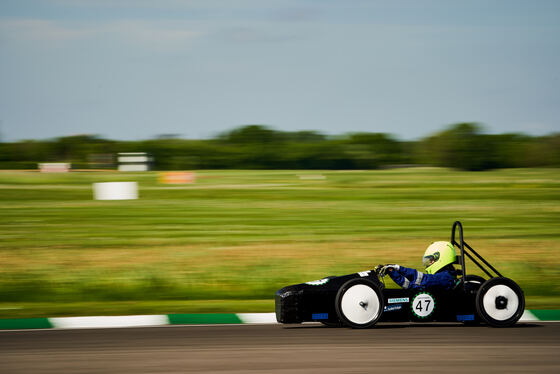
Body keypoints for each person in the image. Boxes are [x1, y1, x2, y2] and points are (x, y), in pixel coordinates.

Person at [380, 241, 458, 290]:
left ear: (441, 259)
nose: (429, 264)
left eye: (431, 260)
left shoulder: (445, 278)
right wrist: (397, 269)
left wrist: (393, 272)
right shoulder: (447, 275)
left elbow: (421, 280)